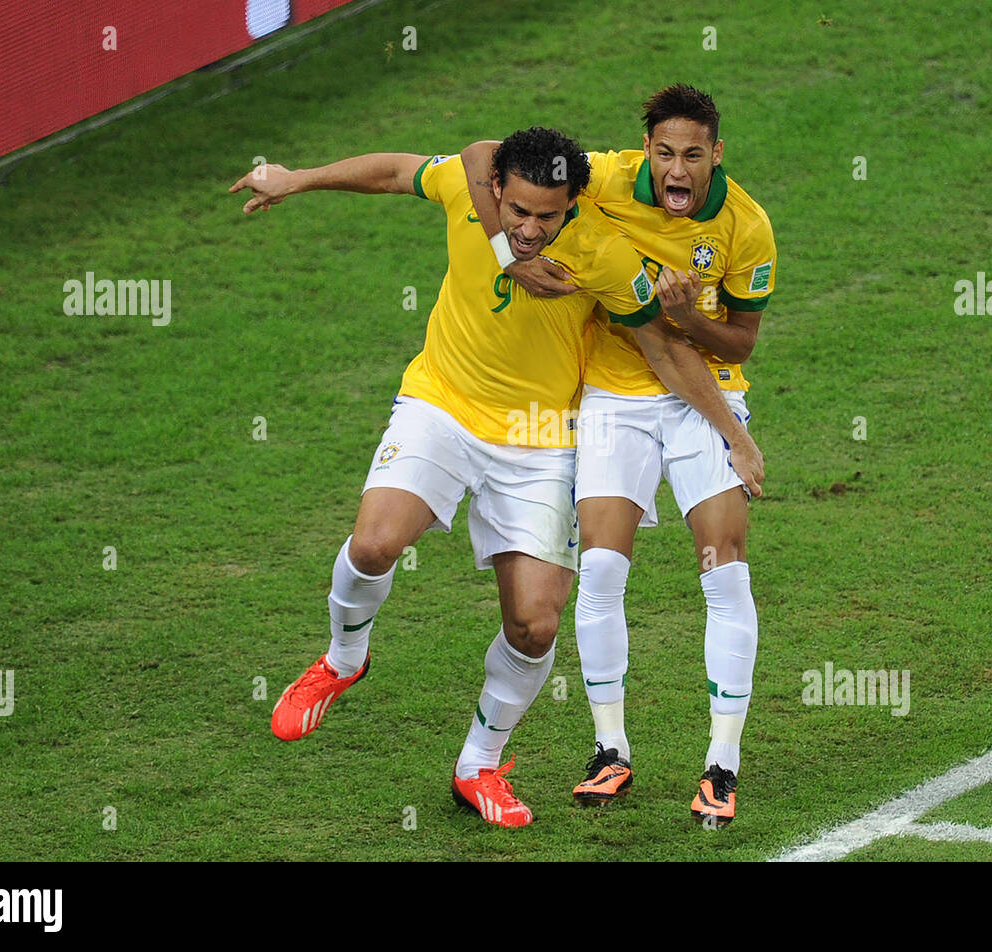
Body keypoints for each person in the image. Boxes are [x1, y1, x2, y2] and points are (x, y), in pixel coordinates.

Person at [228, 127, 763, 827]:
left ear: (573, 202)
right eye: (519, 214)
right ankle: (342, 657)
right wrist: (297, 177)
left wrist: (733, 432)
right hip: (443, 406)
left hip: (543, 442)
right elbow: (407, 167)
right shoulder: (473, 190)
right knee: (373, 545)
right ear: (498, 195)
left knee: (536, 625)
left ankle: (478, 764)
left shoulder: (605, 255)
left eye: (549, 216)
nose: (533, 228)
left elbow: (662, 348)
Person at [459, 85, 776, 825]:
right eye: (665, 152)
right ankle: (610, 753)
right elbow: (483, 158)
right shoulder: (600, 175)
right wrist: (507, 254)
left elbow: (743, 342)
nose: (677, 167)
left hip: (704, 393)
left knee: (723, 571)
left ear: (715, 155)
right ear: (648, 151)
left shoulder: (747, 226)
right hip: (613, 396)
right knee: (600, 567)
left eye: (692, 154)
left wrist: (690, 319)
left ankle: (721, 768)